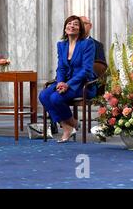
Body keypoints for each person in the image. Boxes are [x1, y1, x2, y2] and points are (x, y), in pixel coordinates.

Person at [39, 15, 96, 143]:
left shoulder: (87, 44)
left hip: (81, 84)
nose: (72, 26)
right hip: (64, 81)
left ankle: (69, 127)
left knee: (55, 98)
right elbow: (61, 68)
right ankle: (70, 125)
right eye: (69, 24)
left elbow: (86, 70)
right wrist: (60, 82)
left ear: (80, 29)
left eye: (75, 24)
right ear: (65, 29)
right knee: (43, 95)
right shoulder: (61, 45)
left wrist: (68, 84)